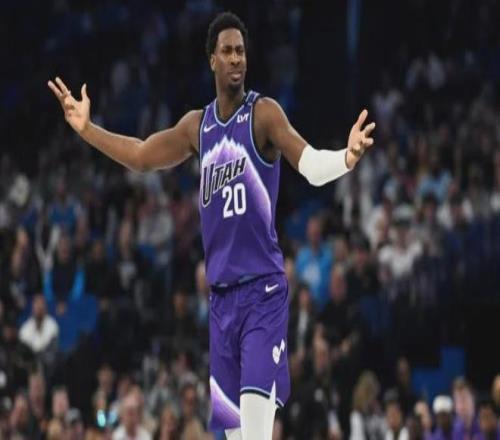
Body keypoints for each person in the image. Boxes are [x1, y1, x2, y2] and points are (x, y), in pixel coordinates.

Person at [48, 12, 375, 439]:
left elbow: (311, 165)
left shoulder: (264, 115)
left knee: (254, 434)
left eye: (241, 51)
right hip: (221, 305)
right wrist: (88, 130)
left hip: (262, 294)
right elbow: (142, 156)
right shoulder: (196, 127)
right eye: (227, 51)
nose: (236, 58)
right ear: (212, 61)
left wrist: (346, 157)